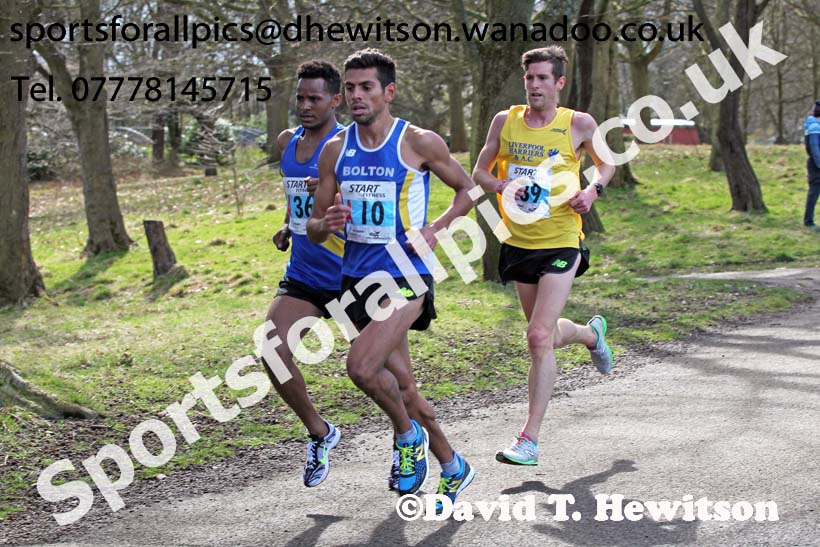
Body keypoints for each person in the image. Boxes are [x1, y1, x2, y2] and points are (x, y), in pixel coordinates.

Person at [307, 48, 476, 508]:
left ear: (389, 92)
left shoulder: (418, 142)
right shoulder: (335, 149)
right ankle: (453, 463)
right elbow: (315, 227)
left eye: (366, 87)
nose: (356, 96)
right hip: (355, 279)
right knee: (403, 386)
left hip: (406, 276)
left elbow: (468, 190)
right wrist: (330, 222)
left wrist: (436, 229)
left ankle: (406, 438)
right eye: (350, 88)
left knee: (361, 367)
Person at [265, 59, 438, 490]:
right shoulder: (290, 144)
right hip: (306, 274)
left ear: (335, 101)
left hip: (355, 278)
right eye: (300, 98)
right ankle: (320, 432)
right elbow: (302, 203)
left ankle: (445, 459)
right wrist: (292, 224)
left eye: (314, 98)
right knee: (271, 350)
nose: (305, 106)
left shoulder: (352, 146)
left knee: (399, 385)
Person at [472, 46, 616, 466]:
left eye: (542, 79)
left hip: (560, 240)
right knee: (547, 336)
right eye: (529, 78)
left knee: (537, 337)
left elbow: (606, 165)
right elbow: (480, 171)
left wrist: (592, 190)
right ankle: (591, 336)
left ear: (559, 83)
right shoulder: (506, 121)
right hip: (518, 243)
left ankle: (528, 439)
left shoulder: (579, 124)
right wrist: (500, 187)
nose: (534, 85)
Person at [803, 100, 820, 231]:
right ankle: (808, 221)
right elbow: (814, 148)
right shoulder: (815, 126)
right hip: (816, 165)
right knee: (814, 193)